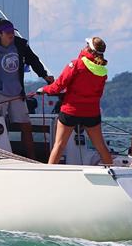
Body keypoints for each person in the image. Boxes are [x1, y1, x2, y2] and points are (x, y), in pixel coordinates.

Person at [0, 18, 53, 160]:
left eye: (12, 31)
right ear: (0, 33)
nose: (11, 34)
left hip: (17, 93)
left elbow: (33, 60)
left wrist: (44, 75)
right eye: (8, 32)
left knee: (26, 125)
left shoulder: (20, 45)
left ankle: (32, 158)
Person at [41, 37, 113, 165]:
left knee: (59, 145)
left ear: (88, 49)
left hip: (71, 110)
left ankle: (49, 174)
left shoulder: (76, 64)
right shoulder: (103, 71)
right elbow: (99, 93)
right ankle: (113, 173)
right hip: (91, 113)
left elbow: (58, 86)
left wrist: (44, 89)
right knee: (101, 147)